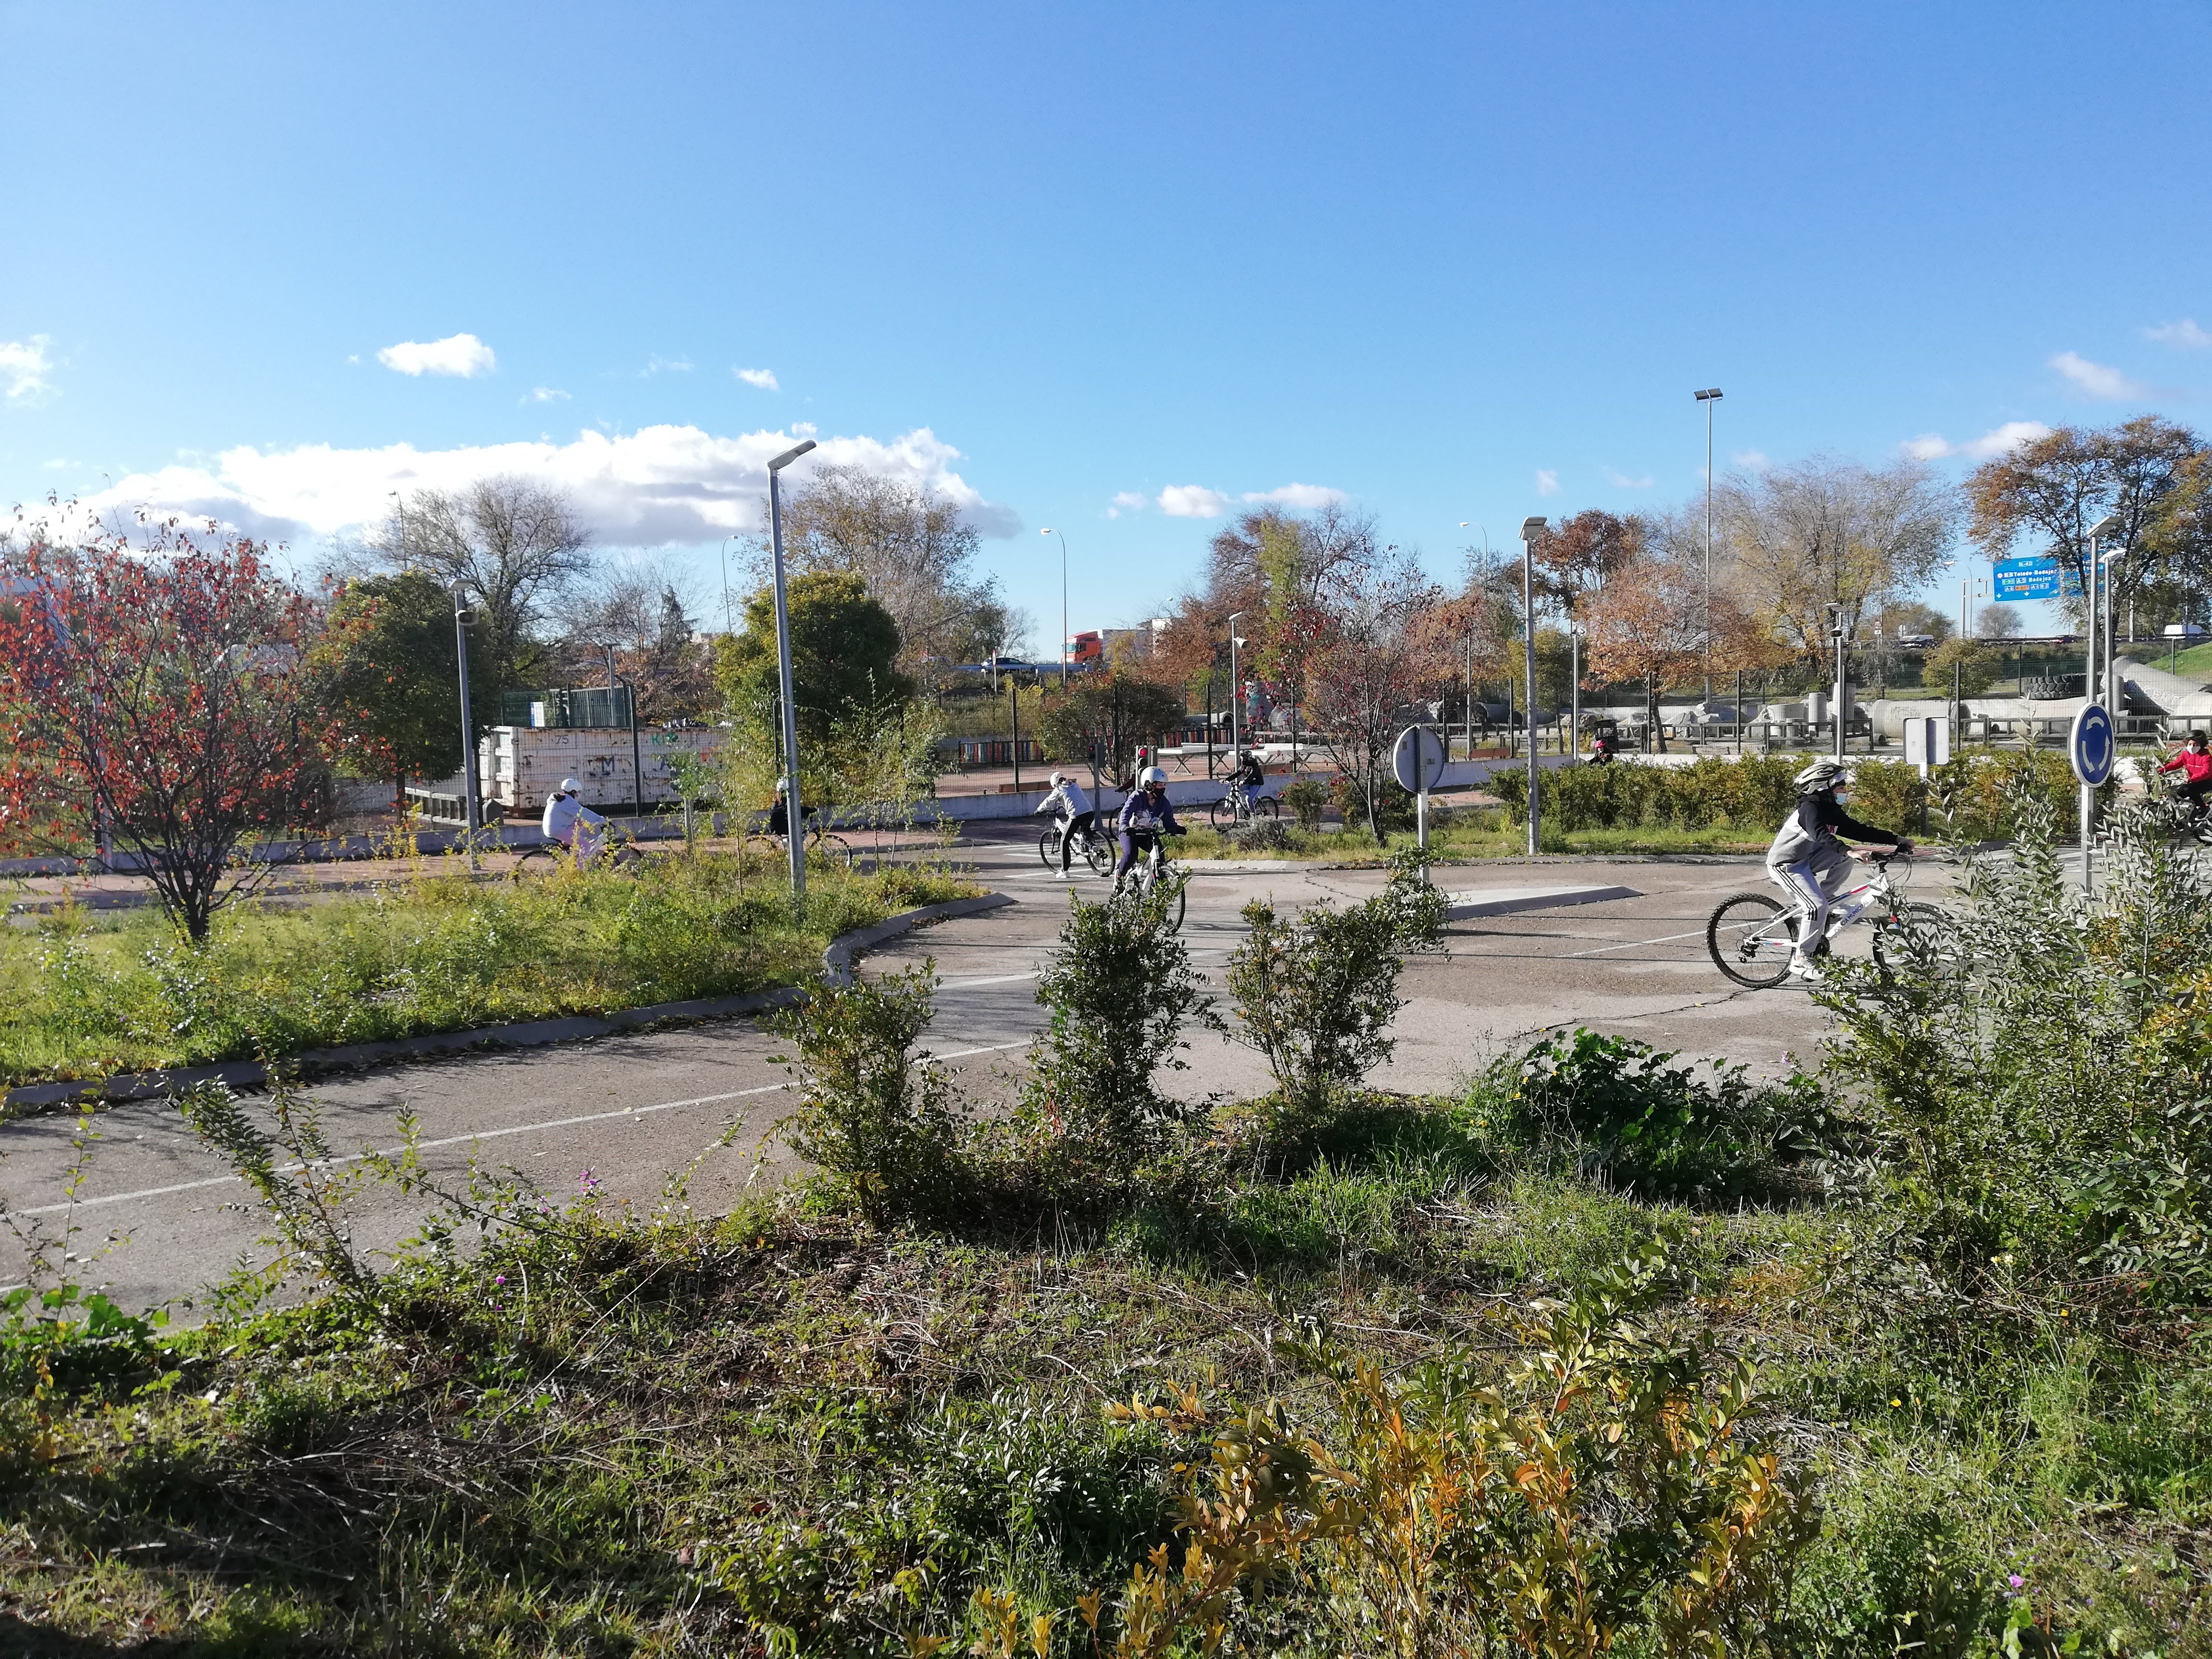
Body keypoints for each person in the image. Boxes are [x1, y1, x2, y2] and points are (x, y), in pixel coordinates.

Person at [1766, 758, 1913, 983]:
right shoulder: (1809, 809)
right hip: (1786, 864)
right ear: (1823, 786)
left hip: (1806, 859)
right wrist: (1848, 850)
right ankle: (1801, 960)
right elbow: (1820, 836)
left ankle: (1825, 900)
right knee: (1816, 906)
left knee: (1843, 861)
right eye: (1840, 785)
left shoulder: (1829, 808)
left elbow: (1857, 830)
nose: (1845, 790)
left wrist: (1895, 839)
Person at [1115, 765, 1185, 888]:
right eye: (1160, 785)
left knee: (1160, 856)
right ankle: (1119, 876)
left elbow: (1168, 819)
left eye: (1164, 785)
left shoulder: (1163, 802)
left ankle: (1157, 886)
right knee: (1131, 854)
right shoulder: (1137, 797)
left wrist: (1175, 828)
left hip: (1147, 835)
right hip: (1130, 833)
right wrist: (1125, 826)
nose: (1163, 788)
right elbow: (1126, 813)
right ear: (1149, 785)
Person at [1035, 769, 1097, 876]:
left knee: (1064, 840)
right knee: (1085, 832)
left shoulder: (1059, 790)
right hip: (1089, 812)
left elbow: (1048, 801)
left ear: (1055, 784)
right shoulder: (1075, 785)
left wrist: (1039, 810)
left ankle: (1064, 871)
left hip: (1076, 816)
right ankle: (1093, 847)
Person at [541, 778, 608, 867]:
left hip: (555, 827)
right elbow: (583, 812)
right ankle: (580, 870)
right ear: (572, 792)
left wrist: (593, 822)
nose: (577, 795)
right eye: (577, 793)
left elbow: (580, 816)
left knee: (581, 821)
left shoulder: (561, 799)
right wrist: (601, 820)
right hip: (558, 830)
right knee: (586, 846)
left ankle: (572, 843)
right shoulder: (567, 801)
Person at [2157, 729, 2212, 823]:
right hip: (2193, 781)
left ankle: (2203, 808)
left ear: (2202, 744)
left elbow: (2206, 773)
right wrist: (2161, 770)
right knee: (2178, 795)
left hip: (2207, 781)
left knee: (2189, 789)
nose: (2192, 747)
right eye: (2190, 744)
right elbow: (2175, 765)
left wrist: (2192, 780)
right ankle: (2175, 818)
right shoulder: (2185, 755)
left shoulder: (2207, 757)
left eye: (2196, 745)